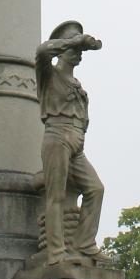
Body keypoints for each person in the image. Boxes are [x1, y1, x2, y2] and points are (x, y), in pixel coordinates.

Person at [35, 21, 104, 264]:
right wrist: (74, 40)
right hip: (57, 136)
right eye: (75, 50)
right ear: (63, 50)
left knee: (95, 189)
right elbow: (42, 52)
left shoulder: (78, 85)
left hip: (77, 142)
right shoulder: (48, 74)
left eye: (80, 51)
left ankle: (84, 243)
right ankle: (56, 252)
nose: (78, 55)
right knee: (55, 195)